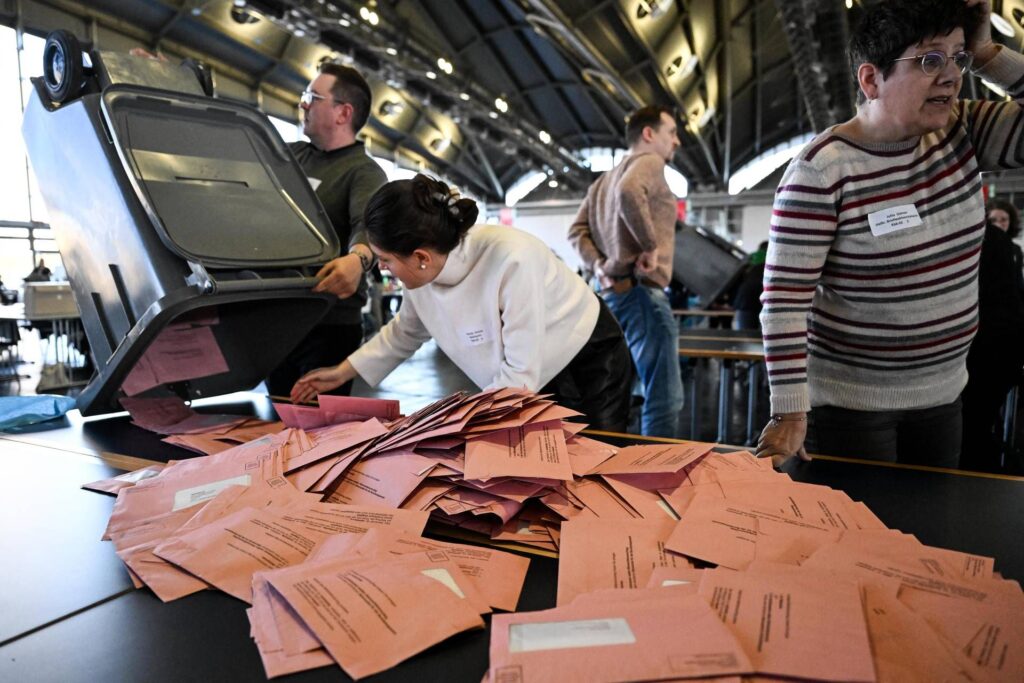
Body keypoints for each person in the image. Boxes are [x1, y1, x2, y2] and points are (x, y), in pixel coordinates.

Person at [755, 0, 1024, 469]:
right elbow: (784, 301)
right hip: (850, 412)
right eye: (929, 60)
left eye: (956, 58)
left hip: (944, 399)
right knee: (858, 539)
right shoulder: (823, 171)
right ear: (871, 79)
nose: (950, 76)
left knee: (930, 536)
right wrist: (790, 410)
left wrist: (985, 53)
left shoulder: (963, 129)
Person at [291, 174, 635, 431]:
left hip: (586, 357)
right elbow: (405, 333)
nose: (380, 268)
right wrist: (342, 372)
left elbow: (519, 376)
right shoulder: (422, 271)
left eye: (385, 259)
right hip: (523, 375)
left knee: (593, 465)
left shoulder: (513, 259)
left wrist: (449, 425)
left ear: (421, 257)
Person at [266, 63, 387, 398]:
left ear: (342, 112)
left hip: (327, 327)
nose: (303, 104)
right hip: (276, 319)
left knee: (317, 433)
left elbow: (368, 224)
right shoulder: (289, 157)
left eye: (313, 97)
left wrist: (358, 259)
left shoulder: (363, 172)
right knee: (276, 423)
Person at [567, 105, 684, 438]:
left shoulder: (603, 181)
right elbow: (629, 192)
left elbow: (576, 230)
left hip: (613, 296)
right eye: (671, 132)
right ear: (649, 134)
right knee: (664, 396)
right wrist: (649, 246)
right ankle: (660, 475)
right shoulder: (648, 163)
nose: (676, 142)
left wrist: (600, 265)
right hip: (642, 294)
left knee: (623, 392)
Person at [959, 199, 1024, 471]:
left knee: (969, 429)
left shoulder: (983, 241)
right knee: (978, 427)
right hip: (1002, 354)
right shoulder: (1003, 245)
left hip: (979, 353)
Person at [731, 241, 768, 331]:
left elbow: (736, 279)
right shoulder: (774, 259)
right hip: (764, 301)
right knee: (764, 336)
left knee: (745, 335)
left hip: (745, 301)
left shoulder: (751, 258)